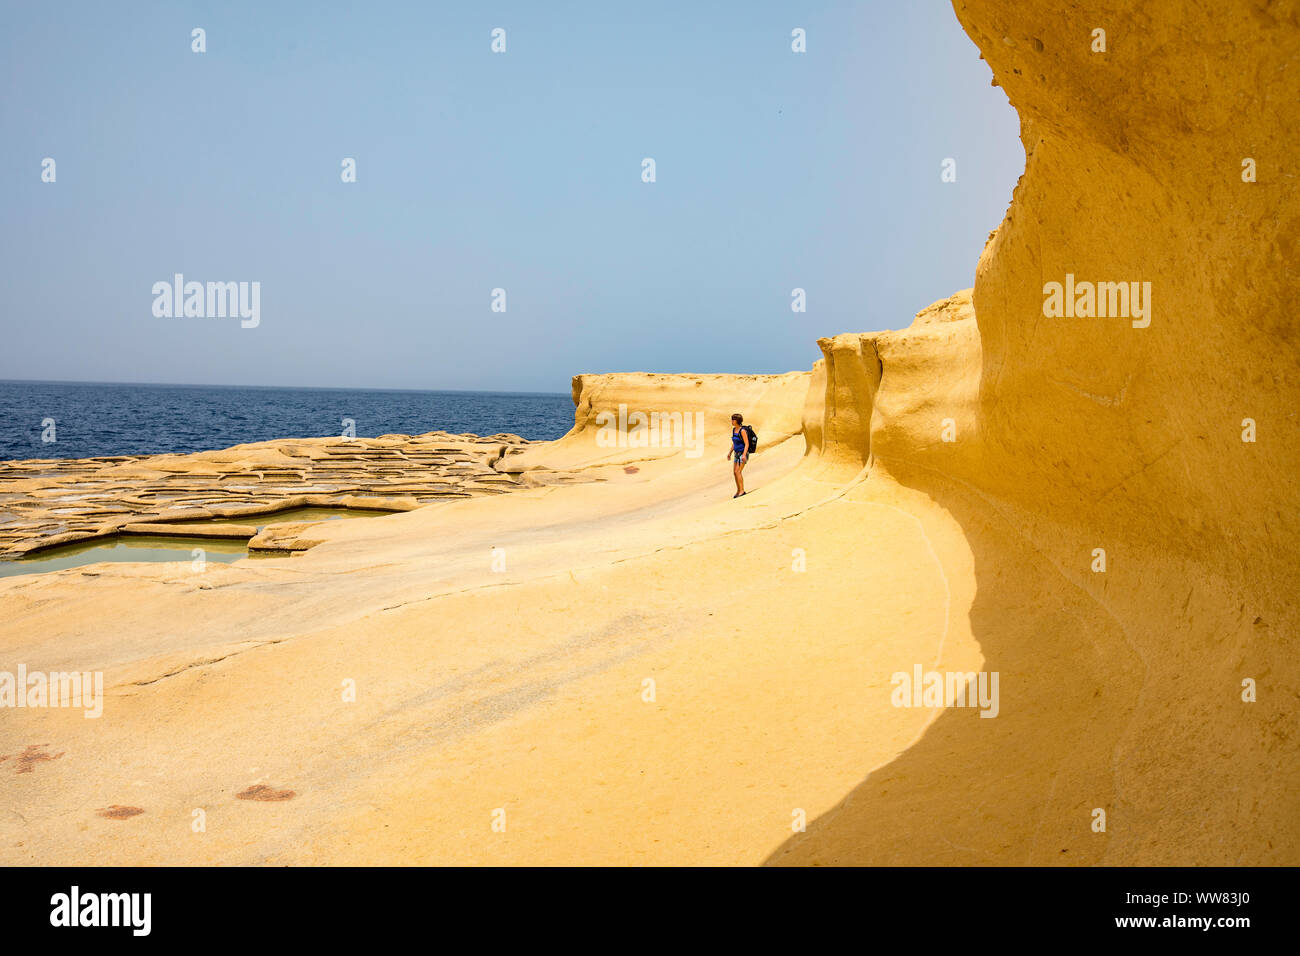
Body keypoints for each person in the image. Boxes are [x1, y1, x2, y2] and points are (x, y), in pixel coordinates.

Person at [728, 413, 750, 497]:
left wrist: (744, 455)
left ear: (737, 421)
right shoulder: (734, 430)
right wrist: (730, 452)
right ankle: (738, 490)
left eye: (733, 420)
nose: (732, 421)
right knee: (735, 472)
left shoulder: (742, 431)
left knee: (738, 472)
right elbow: (734, 443)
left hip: (742, 453)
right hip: (736, 453)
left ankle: (742, 491)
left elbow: (747, 444)